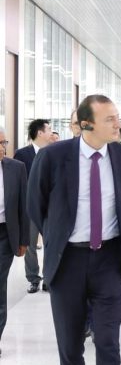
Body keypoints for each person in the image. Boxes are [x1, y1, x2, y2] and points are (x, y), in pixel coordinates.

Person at [27, 94, 121, 365]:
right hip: (68, 262)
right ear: (87, 124)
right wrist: (57, 235)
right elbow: (35, 204)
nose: (118, 124)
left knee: (108, 344)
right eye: (110, 119)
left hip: (109, 262)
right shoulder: (53, 157)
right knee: (70, 345)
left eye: (117, 117)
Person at [14, 118, 52, 293]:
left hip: (50, 208)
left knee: (51, 243)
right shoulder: (22, 154)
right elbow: (16, 183)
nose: (51, 133)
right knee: (29, 245)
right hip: (29, 208)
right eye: (49, 130)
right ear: (40, 133)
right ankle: (33, 278)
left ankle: (49, 278)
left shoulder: (53, 152)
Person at [0, 134, 29, 357]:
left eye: (3, 143)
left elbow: (23, 206)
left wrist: (23, 240)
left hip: (4, 235)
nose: (2, 147)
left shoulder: (16, 168)